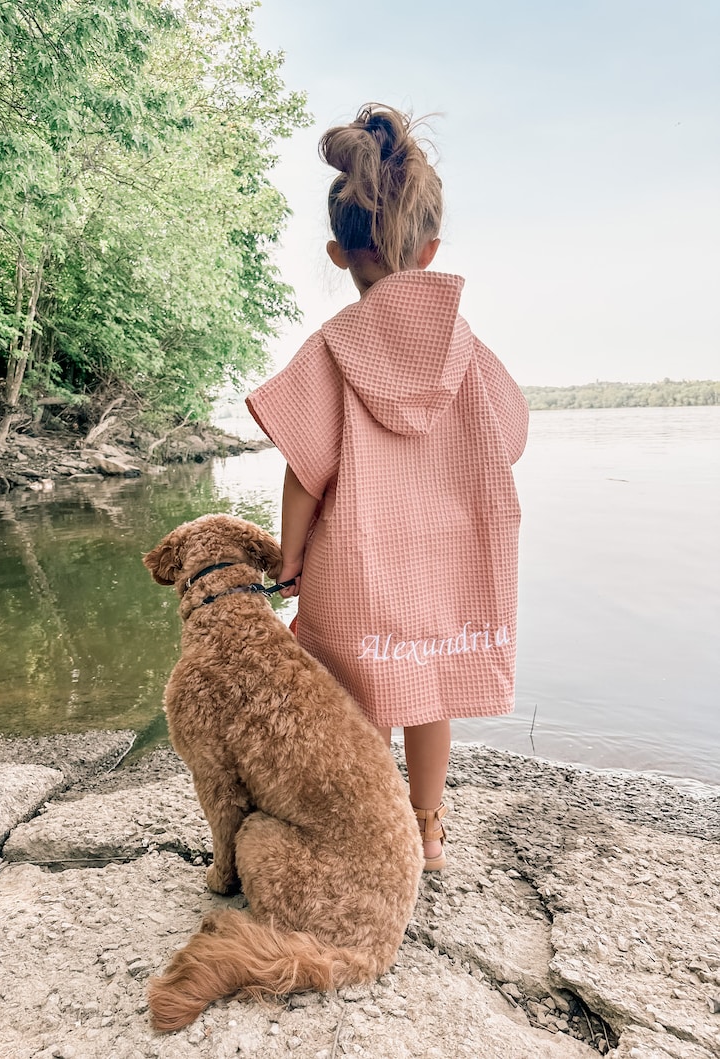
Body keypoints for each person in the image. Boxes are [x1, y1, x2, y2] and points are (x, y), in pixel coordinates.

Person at [246, 103, 528, 870]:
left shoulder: (334, 348)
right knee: (427, 691)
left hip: (357, 563)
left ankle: (371, 835)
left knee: (357, 693)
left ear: (340, 253)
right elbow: (510, 434)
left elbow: (305, 468)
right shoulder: (467, 345)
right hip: (442, 565)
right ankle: (428, 832)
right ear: (431, 248)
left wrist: (290, 558)